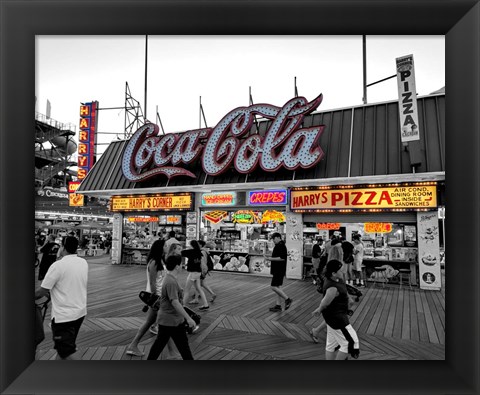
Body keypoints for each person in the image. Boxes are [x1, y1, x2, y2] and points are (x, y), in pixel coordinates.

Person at [34, 236, 88, 360]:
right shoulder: (83, 262)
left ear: (63, 248)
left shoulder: (58, 266)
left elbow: (42, 291)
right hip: (79, 313)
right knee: (63, 348)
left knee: (66, 351)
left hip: (64, 317)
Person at [126, 238, 178, 357]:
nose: (166, 247)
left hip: (160, 296)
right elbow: (153, 282)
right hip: (157, 298)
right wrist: (157, 298)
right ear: (160, 248)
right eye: (165, 246)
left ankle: (133, 346)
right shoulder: (154, 262)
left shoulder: (160, 260)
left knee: (152, 322)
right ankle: (172, 352)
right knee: (165, 323)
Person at [147, 254, 196, 360]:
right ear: (177, 266)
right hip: (170, 320)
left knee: (167, 345)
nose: (183, 266)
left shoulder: (170, 279)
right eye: (181, 263)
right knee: (178, 346)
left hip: (172, 319)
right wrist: (189, 318)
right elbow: (175, 302)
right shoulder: (170, 281)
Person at [312, 260, 360, 360]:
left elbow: (343, 289)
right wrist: (319, 309)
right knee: (350, 342)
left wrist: (349, 299)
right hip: (336, 318)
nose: (343, 271)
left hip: (335, 315)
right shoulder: (332, 287)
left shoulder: (338, 279)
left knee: (332, 344)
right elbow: (325, 302)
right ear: (333, 273)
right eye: (340, 270)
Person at [264, 232, 292, 312]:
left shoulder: (281, 246)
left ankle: (287, 299)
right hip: (279, 269)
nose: (273, 240)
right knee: (278, 287)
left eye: (274, 238)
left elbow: (282, 258)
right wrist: (269, 256)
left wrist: (269, 259)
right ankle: (278, 305)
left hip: (279, 270)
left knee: (273, 286)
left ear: (278, 237)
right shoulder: (279, 245)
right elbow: (277, 256)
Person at [182, 240, 209, 310]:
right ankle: (206, 304)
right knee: (199, 288)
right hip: (198, 272)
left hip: (193, 273)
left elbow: (181, 253)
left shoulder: (190, 252)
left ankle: (183, 305)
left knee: (187, 290)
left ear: (191, 245)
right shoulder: (199, 252)